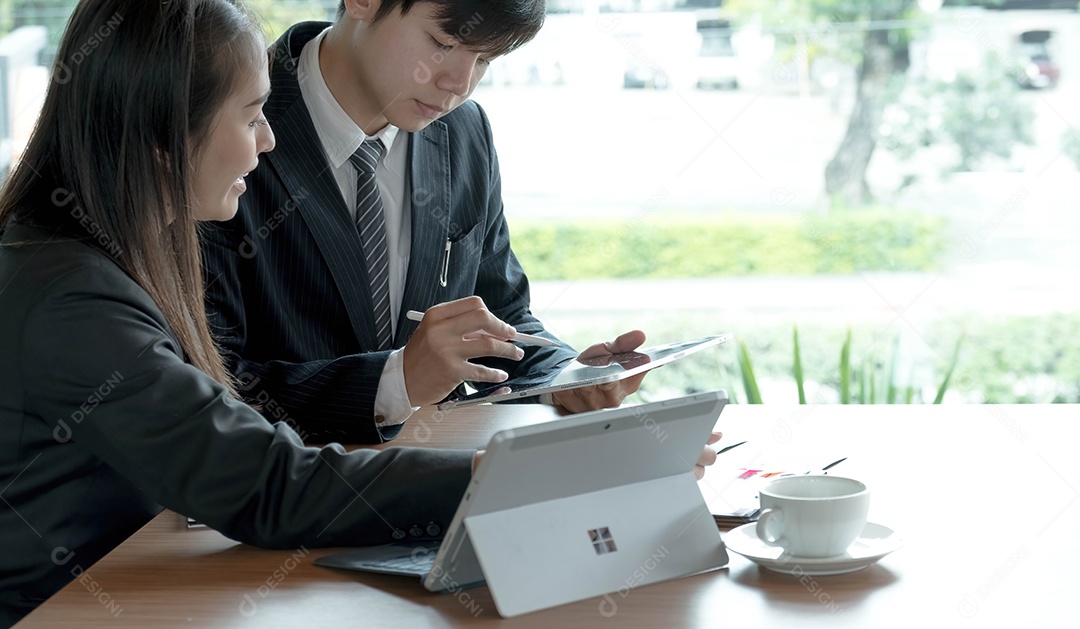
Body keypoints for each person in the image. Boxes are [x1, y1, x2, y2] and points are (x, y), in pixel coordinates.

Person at [0, 1, 720, 625]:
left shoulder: (93, 257)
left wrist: (564, 377)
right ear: (163, 138)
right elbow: (266, 481)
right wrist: (535, 474)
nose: (268, 138)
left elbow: (502, 312)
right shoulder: (71, 296)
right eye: (251, 116)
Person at [200, 0, 649, 445]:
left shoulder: (464, 130)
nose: (459, 84)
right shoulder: (225, 122)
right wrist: (396, 382)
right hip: (284, 496)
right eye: (443, 43)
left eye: (486, 59)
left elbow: (500, 315)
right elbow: (208, 382)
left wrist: (566, 380)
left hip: (446, 482)